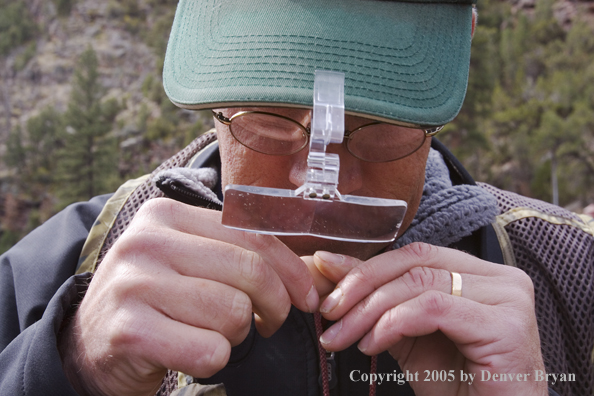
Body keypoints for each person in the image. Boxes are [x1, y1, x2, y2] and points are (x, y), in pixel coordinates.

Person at [0, 1, 592, 396]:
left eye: (380, 122)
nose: (319, 181)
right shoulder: (60, 269)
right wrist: (67, 368)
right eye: (271, 117)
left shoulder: (572, 275)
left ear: (461, 44)